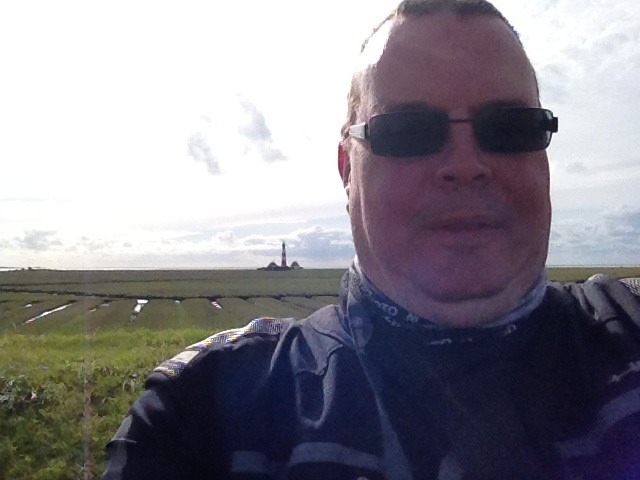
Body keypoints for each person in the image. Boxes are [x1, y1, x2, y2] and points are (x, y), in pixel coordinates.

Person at [103, 1, 640, 478]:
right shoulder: (209, 414)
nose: (465, 164)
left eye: (510, 128)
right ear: (347, 169)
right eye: (408, 132)